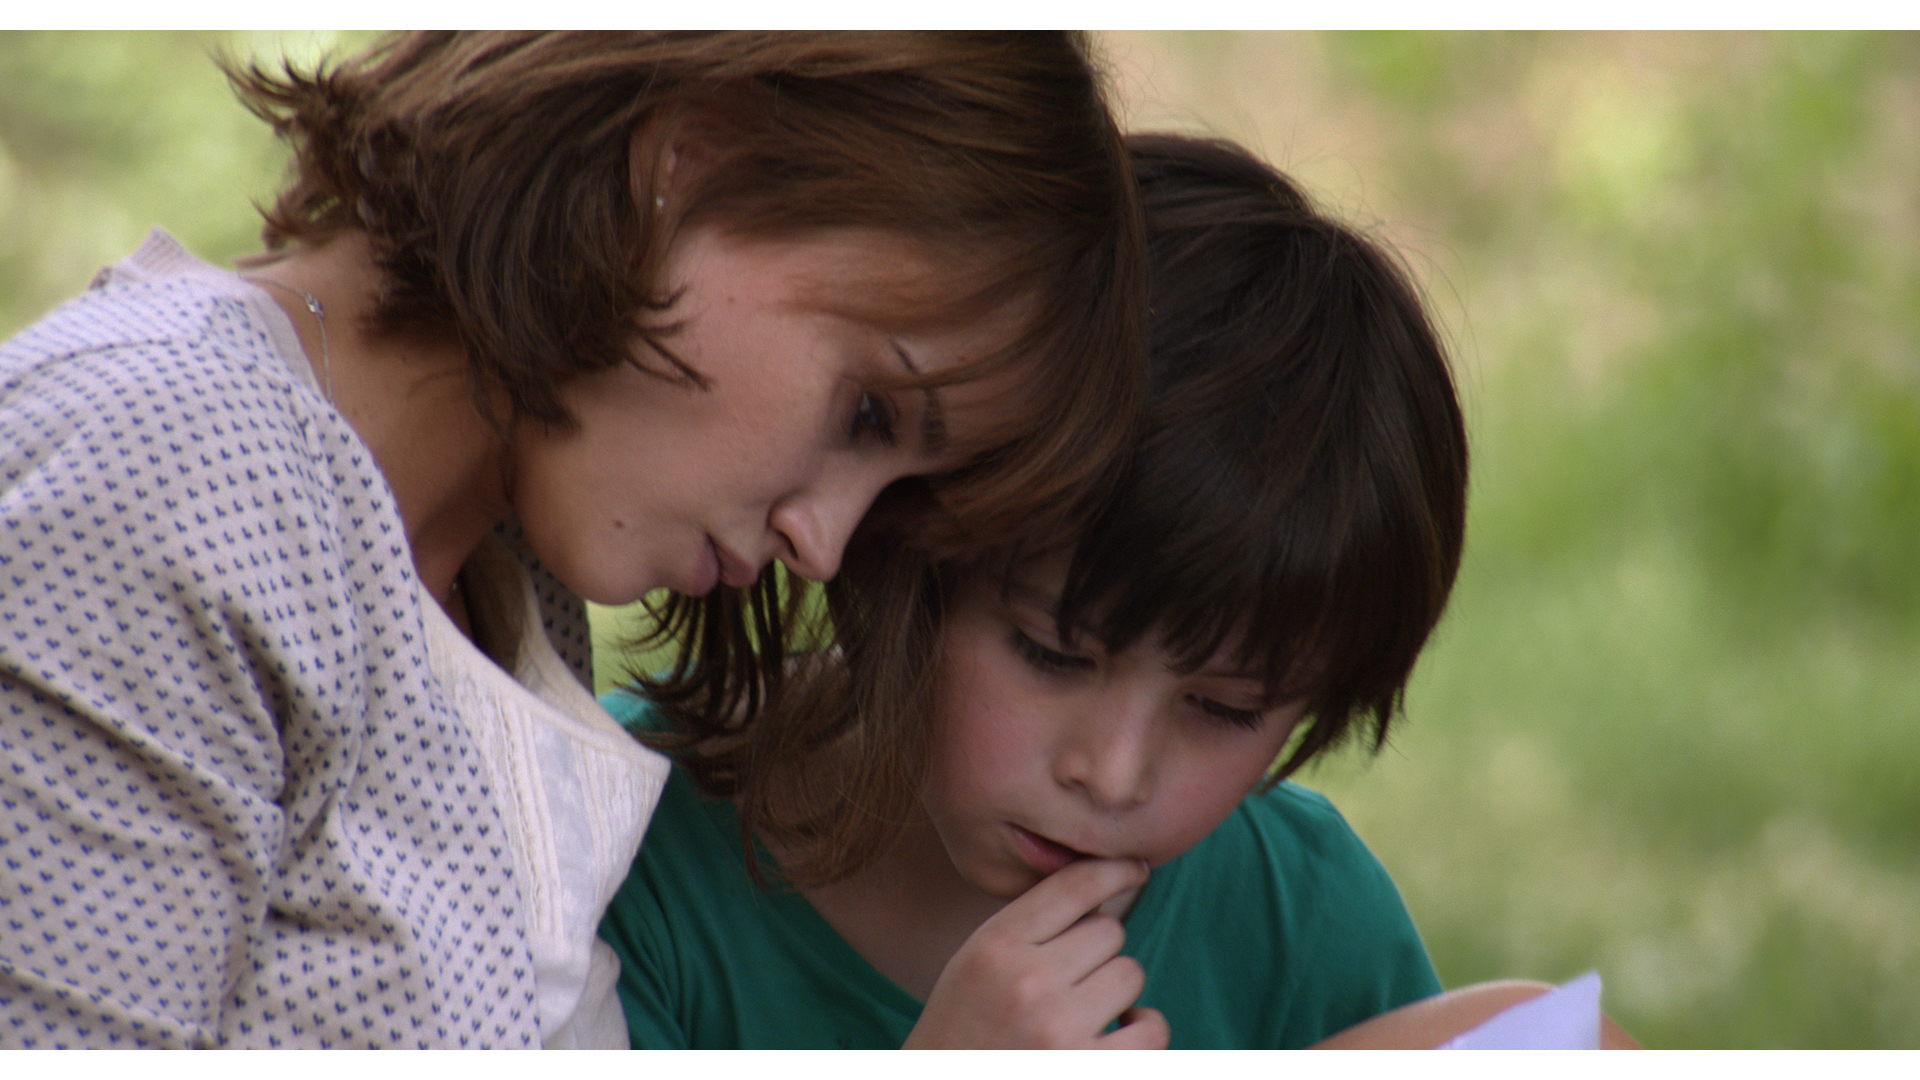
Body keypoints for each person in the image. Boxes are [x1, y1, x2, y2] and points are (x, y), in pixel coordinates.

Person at [0, 32, 1147, 1049]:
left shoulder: (495, 567)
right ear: (691, 165)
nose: (824, 544)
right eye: (867, 414)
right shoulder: (167, 482)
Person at [597, 133, 1474, 1048]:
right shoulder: (621, 852)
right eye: (1052, 653)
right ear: (899, 551)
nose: (1114, 773)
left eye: (1222, 708)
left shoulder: (1304, 917)